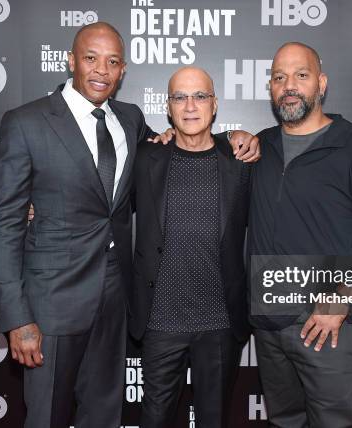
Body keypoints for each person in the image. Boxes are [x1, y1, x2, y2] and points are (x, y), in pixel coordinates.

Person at [0, 22, 259, 428]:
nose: (102, 70)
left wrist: (235, 135)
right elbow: (4, 222)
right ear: (70, 61)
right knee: (46, 417)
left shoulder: (129, 119)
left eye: (113, 61)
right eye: (91, 58)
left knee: (104, 414)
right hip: (52, 305)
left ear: (123, 70)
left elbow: (176, 144)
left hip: (116, 302)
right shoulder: (26, 122)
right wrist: (17, 317)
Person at [247, 42, 352, 427]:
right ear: (270, 86)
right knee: (284, 421)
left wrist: (345, 297)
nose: (289, 85)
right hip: (268, 324)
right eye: (279, 77)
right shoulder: (258, 147)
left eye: (301, 75)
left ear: (321, 83)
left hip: (326, 327)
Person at [130, 67, 251, 428]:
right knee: (154, 419)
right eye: (179, 97)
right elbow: (98, 202)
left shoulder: (242, 161)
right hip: (160, 321)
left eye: (200, 96)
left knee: (214, 420)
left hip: (219, 323)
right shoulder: (144, 158)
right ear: (168, 107)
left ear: (214, 105)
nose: (190, 106)